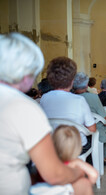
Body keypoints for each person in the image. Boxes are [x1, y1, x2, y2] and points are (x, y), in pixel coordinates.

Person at [0, 33, 95, 194]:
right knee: (82, 185)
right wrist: (79, 172)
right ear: (25, 75)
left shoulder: (41, 99)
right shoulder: (23, 107)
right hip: (12, 188)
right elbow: (54, 175)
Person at [40, 57, 96, 156]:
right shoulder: (79, 100)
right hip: (76, 146)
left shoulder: (44, 98)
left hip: (54, 144)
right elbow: (92, 129)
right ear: (72, 81)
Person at [73, 72, 106, 166]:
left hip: (72, 132)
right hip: (92, 129)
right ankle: (103, 158)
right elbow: (104, 118)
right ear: (86, 85)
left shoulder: (70, 97)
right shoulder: (93, 97)